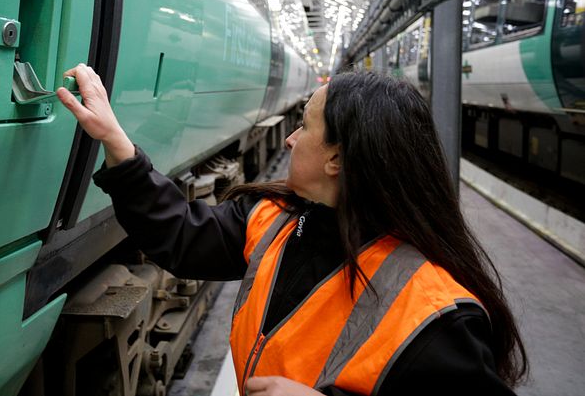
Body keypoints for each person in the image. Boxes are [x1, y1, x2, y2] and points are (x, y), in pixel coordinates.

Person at [56, 64, 528, 396]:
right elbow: (182, 235)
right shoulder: (277, 221)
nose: (289, 138)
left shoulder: (434, 315)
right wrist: (116, 144)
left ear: (337, 159)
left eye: (304, 127)